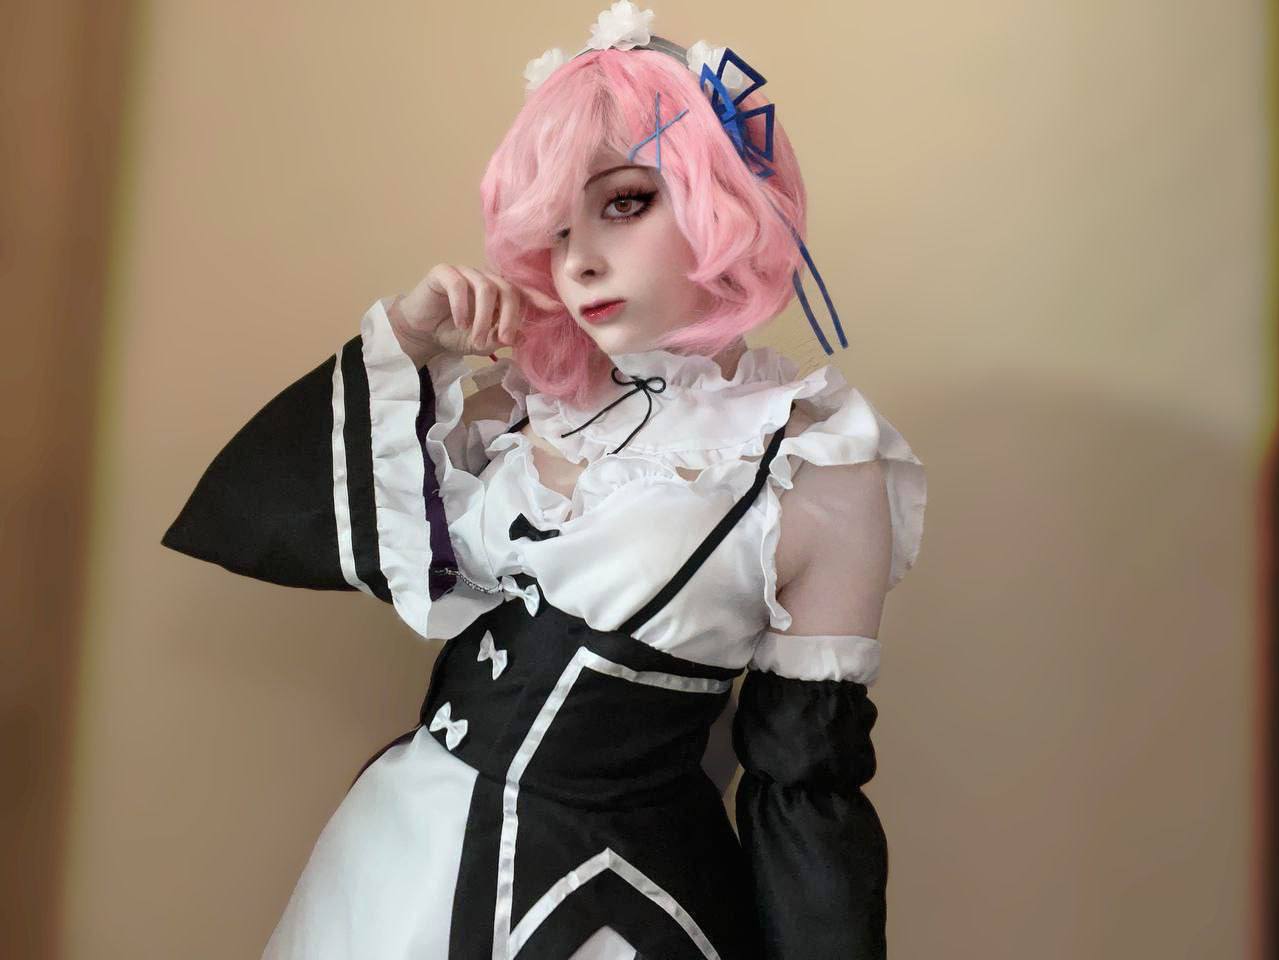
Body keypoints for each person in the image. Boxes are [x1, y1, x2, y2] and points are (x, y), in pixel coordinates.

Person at [161, 6, 927, 958]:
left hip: (615, 906)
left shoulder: (818, 464)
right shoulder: (517, 407)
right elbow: (272, 522)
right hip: (397, 866)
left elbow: (804, 785)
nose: (580, 262)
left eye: (625, 202)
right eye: (556, 231)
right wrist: (410, 344)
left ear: (723, 194)